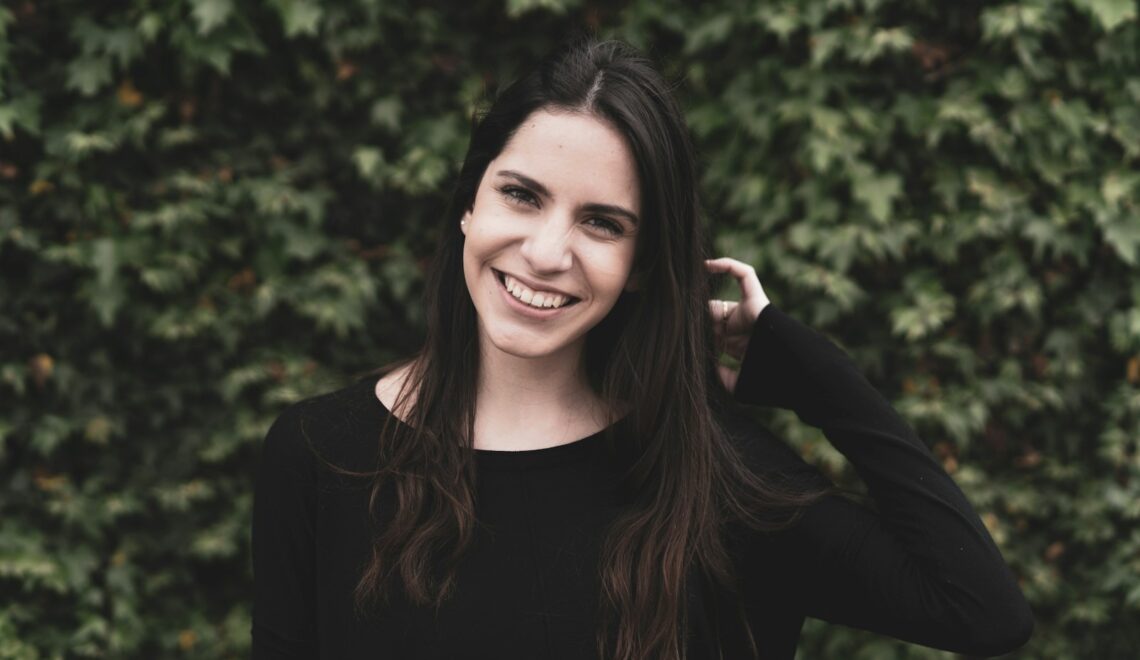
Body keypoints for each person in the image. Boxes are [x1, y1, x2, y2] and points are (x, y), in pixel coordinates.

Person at [251, 39, 1034, 659]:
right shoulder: (321, 454)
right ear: (468, 205)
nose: (547, 251)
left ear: (640, 267)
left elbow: (980, 611)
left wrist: (814, 374)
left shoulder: (710, 477)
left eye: (602, 223)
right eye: (521, 194)